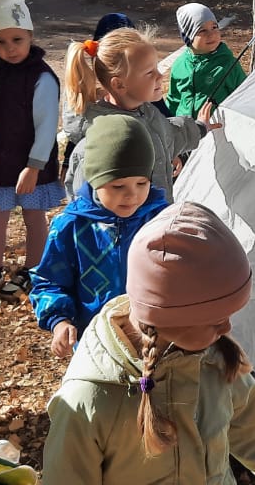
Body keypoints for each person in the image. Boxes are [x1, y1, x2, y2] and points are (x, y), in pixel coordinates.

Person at [43, 201, 255, 485]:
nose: (227, 328)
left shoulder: (217, 361)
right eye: (214, 318)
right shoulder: (90, 398)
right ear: (166, 317)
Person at [30, 114, 168, 358]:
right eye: (118, 186)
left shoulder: (161, 220)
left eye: (142, 183)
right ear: (94, 180)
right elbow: (50, 282)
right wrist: (59, 320)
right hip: (95, 346)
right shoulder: (71, 226)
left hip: (157, 342)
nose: (132, 195)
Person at [0, 0, 64, 301]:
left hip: (32, 164)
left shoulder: (42, 78)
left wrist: (33, 167)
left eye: (17, 40)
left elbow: (46, 128)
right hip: (1, 161)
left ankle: (33, 269)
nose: (10, 49)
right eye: (0, 42)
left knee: (33, 217)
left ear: (30, 35)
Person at [63, 28, 218, 199]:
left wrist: (200, 127)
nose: (160, 76)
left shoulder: (146, 112)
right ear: (119, 85)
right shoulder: (102, 139)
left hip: (156, 221)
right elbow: (83, 203)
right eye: (150, 72)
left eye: (157, 69)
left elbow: (170, 134)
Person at [165, 2, 247, 119]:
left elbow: (243, 97)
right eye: (202, 30)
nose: (211, 34)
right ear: (188, 37)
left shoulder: (228, 64)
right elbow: (174, 99)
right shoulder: (179, 64)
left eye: (214, 27)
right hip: (184, 130)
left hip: (216, 130)